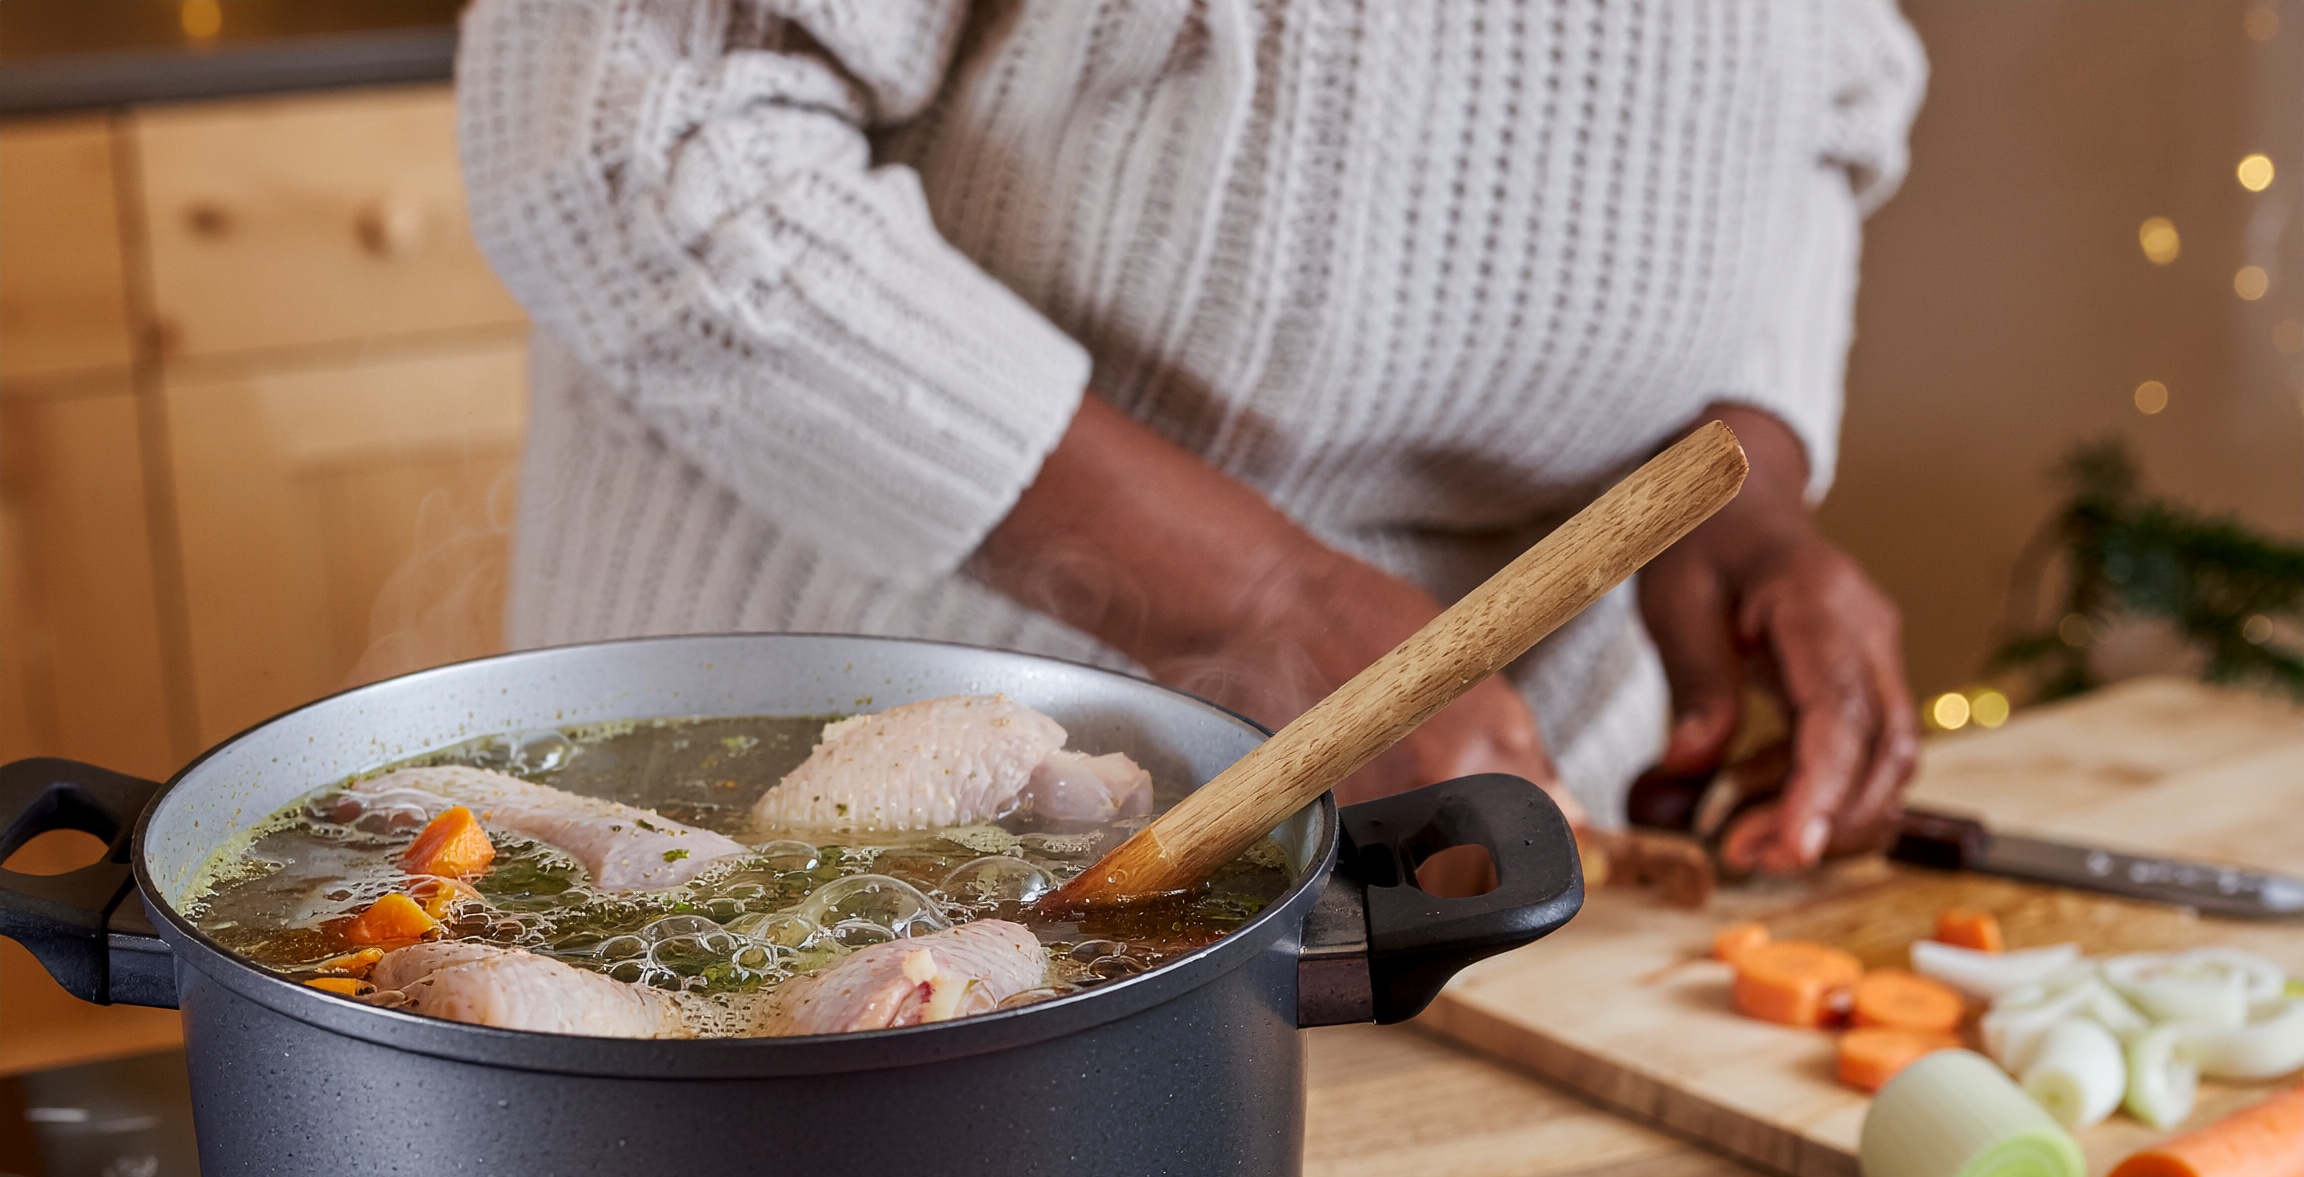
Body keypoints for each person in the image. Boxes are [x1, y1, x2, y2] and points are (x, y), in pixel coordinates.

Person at [458, 0, 1924, 870]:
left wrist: (1745, 477)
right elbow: (631, 148)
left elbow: (1825, 115)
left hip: (1501, 827)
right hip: (823, 832)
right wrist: (1264, 606)